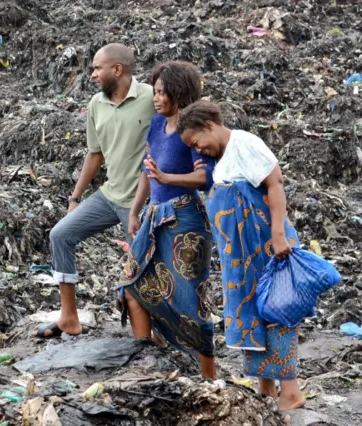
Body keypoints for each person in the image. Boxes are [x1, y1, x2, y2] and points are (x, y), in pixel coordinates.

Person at [176, 100, 306, 410]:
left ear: (208, 126)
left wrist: (277, 234)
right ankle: (266, 390)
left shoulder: (243, 142)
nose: (199, 150)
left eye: (197, 143)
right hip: (243, 261)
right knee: (252, 319)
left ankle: (291, 392)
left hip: (266, 250)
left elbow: (274, 185)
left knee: (276, 314)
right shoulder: (223, 160)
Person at [32, 43, 156, 338]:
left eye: (97, 68)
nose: (92, 75)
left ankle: (152, 335)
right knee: (60, 235)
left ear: (118, 70)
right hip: (110, 194)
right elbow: (95, 154)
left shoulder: (151, 97)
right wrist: (76, 198)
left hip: (139, 202)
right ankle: (69, 318)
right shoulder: (96, 105)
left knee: (144, 267)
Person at [115, 61, 217, 379]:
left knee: (189, 300)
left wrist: (167, 175)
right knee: (133, 285)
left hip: (186, 220)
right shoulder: (157, 125)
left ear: (179, 93)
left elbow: (206, 176)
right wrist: (134, 211)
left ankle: (209, 376)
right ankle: (144, 360)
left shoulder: (192, 128)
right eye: (155, 91)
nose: (156, 98)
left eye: (162, 92)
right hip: (154, 217)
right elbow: (149, 171)